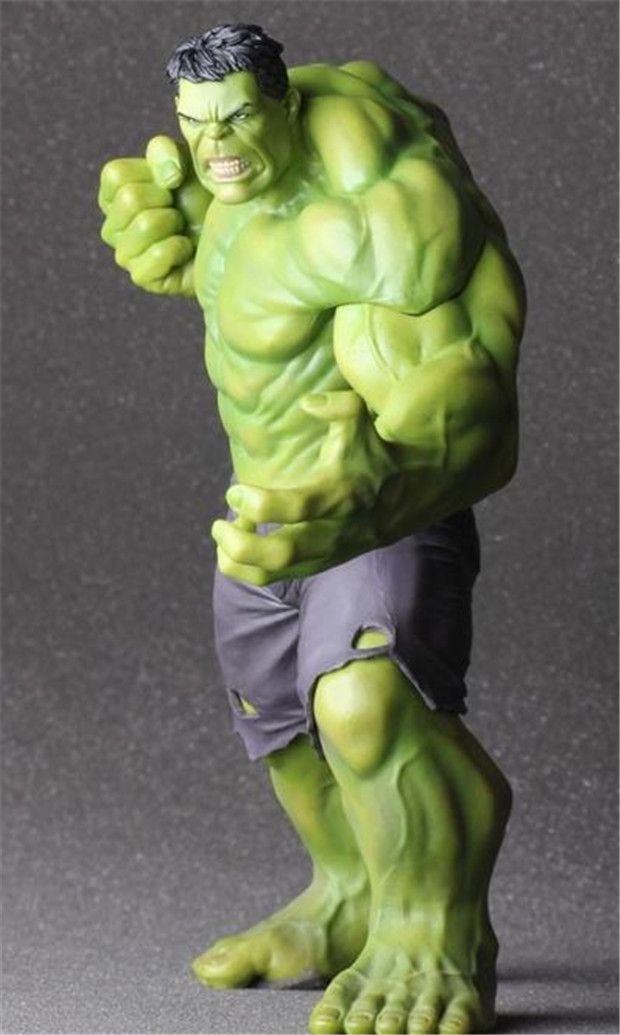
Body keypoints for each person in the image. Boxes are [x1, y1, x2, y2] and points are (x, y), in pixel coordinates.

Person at [98, 23, 525, 1035]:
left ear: (285, 102)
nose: (215, 143)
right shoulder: (232, 188)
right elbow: (258, 305)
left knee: (364, 709)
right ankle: (350, 896)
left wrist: (383, 480)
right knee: (280, 721)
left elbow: (469, 395)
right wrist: (182, 244)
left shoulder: (380, 200)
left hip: (373, 505)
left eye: (239, 117)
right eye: (196, 123)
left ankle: (432, 928)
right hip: (267, 513)